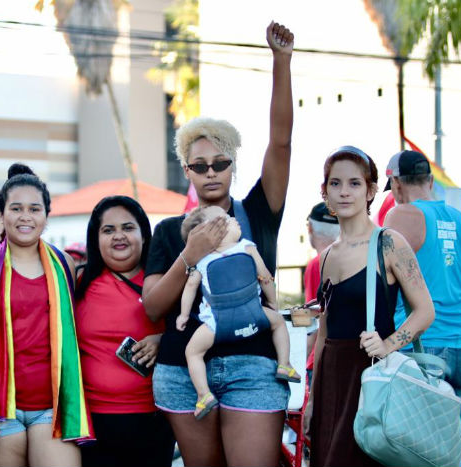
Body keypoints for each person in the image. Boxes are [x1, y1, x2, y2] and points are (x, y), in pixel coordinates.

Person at [142, 20, 295, 467]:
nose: (211, 172)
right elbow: (153, 306)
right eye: (200, 165)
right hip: (183, 371)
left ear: (233, 166)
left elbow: (281, 144)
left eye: (220, 162)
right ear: (186, 171)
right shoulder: (170, 231)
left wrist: (281, 61)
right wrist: (190, 257)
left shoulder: (259, 211)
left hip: (255, 368)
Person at [309, 146, 434, 467]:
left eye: (354, 183)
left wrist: (387, 343)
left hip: (371, 376)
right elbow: (324, 329)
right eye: (335, 184)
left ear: (371, 191)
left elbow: (424, 311)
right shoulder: (327, 256)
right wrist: (312, 399)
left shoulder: (389, 243)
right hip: (330, 380)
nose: (344, 192)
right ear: (325, 191)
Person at [0, 163, 89, 467]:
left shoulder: (64, 264)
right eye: (16, 208)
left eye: (35, 209)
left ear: (46, 215)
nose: (25, 216)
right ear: (2, 214)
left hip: (53, 407)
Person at [74, 195, 174, 467]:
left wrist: (163, 340)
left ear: (144, 234)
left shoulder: (165, 282)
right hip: (92, 423)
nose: (119, 236)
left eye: (128, 228)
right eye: (108, 230)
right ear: (96, 239)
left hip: (155, 419)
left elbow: (197, 328)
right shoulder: (78, 281)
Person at [177, 206, 300, 419]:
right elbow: (265, 277)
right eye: (226, 218)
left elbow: (190, 288)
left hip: (217, 323)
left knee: (193, 352)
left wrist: (184, 315)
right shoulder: (247, 248)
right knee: (278, 323)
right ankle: (284, 364)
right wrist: (272, 302)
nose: (234, 219)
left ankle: (204, 394)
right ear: (214, 231)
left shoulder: (203, 261)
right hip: (254, 313)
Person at [383, 149, 461, 401]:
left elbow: (380, 281)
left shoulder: (401, 215)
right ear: (430, 181)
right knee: (448, 436)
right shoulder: (460, 219)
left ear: (396, 184)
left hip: (422, 345)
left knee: (411, 438)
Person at [303, 203, 339, 379]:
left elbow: (315, 318)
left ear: (310, 228)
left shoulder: (318, 263)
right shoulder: (349, 258)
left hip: (321, 359)